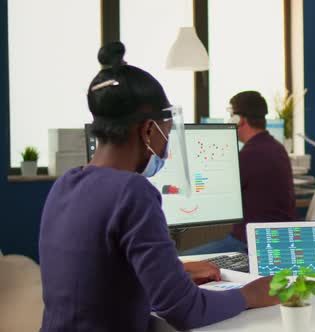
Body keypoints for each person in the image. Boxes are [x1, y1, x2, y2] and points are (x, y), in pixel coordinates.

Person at [38, 42, 277, 332]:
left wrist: (175, 274)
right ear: (148, 130)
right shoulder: (132, 192)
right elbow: (185, 311)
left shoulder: (65, 184)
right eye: (167, 132)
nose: (166, 145)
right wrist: (249, 294)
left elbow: (96, 280)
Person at [183, 91, 296, 255]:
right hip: (275, 240)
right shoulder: (275, 147)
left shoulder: (250, 155)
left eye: (231, 116)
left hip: (251, 244)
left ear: (239, 119)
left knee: (181, 262)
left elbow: (213, 191)